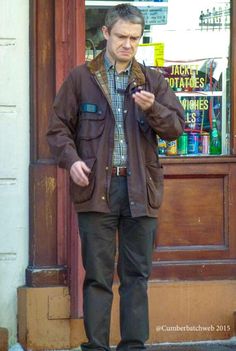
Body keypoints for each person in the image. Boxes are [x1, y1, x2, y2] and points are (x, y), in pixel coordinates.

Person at [47, 4, 185, 351]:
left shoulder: (152, 80)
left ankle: (133, 347)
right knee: (97, 278)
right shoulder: (81, 78)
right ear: (106, 33)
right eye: (122, 36)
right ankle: (96, 346)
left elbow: (175, 130)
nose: (128, 44)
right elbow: (58, 129)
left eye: (135, 38)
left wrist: (152, 108)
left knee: (136, 277)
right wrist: (72, 160)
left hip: (141, 191)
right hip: (96, 190)